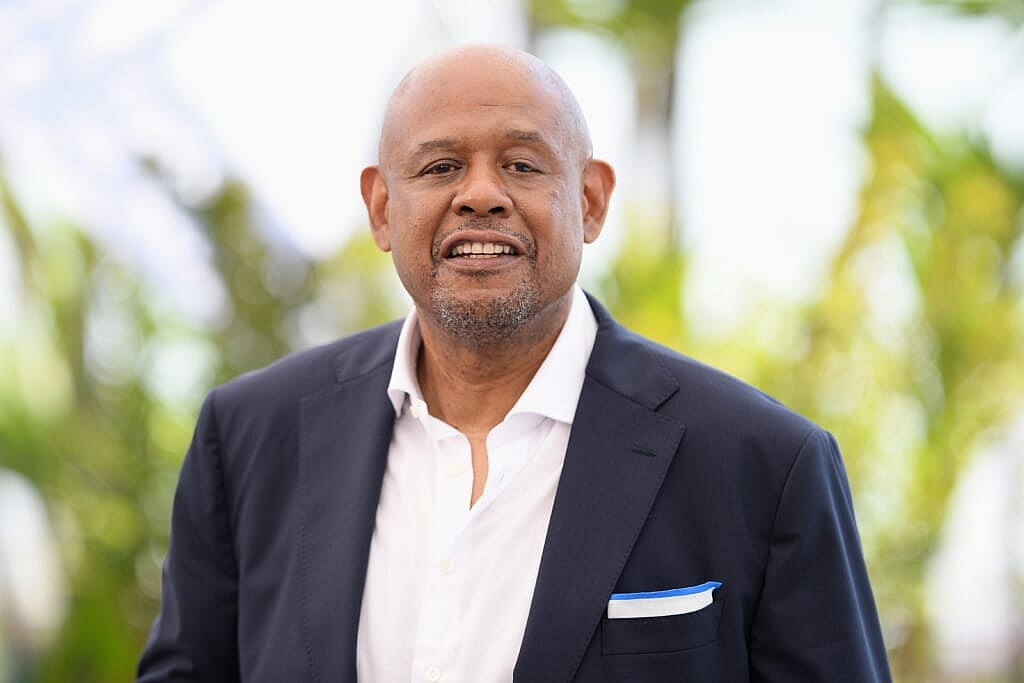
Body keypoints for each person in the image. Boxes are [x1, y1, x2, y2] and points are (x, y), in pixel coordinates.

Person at [137, 44, 891, 682]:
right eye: (439, 167)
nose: (482, 195)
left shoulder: (764, 464)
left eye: (524, 165)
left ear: (591, 201)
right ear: (380, 209)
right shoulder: (248, 438)